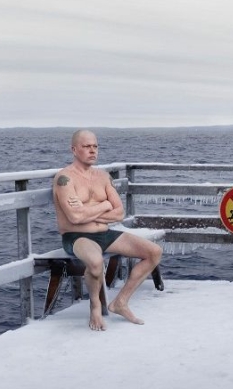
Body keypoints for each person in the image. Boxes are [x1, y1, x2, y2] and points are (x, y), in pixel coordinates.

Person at [53, 129, 162, 331]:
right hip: (77, 237)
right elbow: (75, 218)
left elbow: (119, 213)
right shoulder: (64, 178)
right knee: (95, 262)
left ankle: (120, 302)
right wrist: (104, 205)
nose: (92, 150)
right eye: (87, 146)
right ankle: (95, 306)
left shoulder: (103, 177)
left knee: (154, 252)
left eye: (95, 146)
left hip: (105, 234)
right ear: (74, 150)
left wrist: (88, 211)